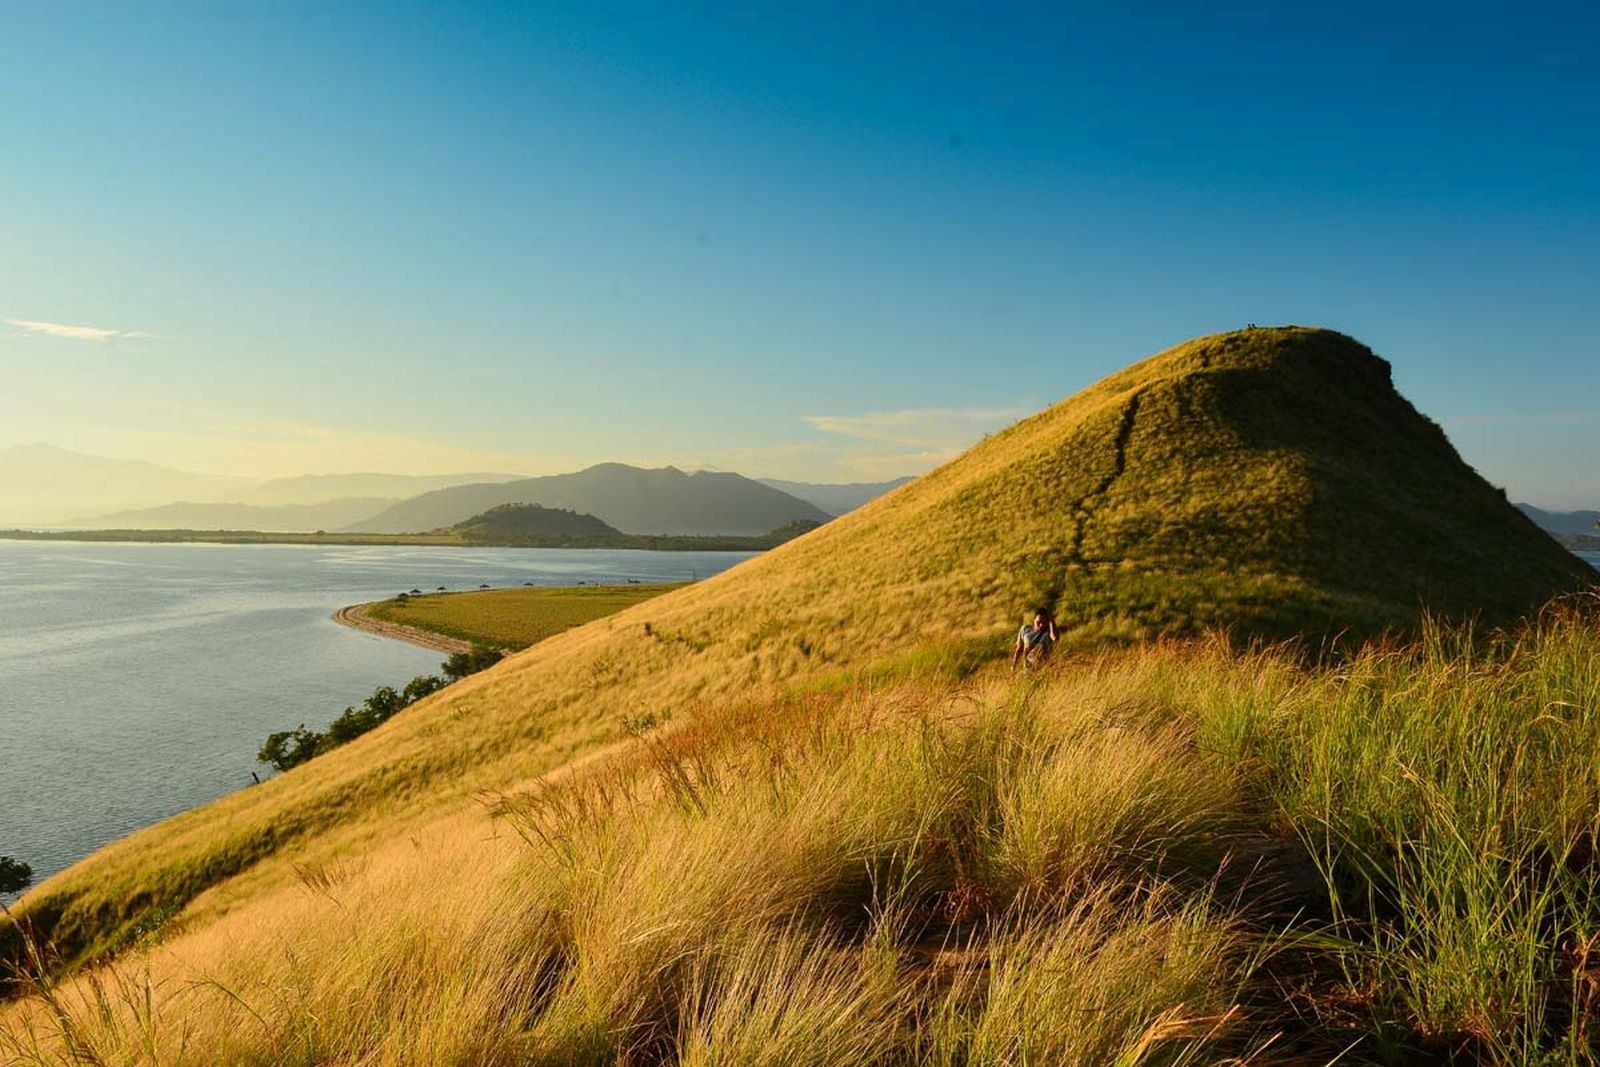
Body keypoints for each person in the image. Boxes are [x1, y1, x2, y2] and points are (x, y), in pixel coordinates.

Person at [1011, 607, 1057, 672]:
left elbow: (1054, 638)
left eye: (1044, 623)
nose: (1041, 625)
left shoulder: (1048, 631)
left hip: (1045, 670)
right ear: (1034, 619)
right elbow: (1019, 649)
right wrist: (1013, 666)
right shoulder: (1025, 629)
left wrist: (1051, 621)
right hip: (1028, 669)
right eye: (1039, 622)